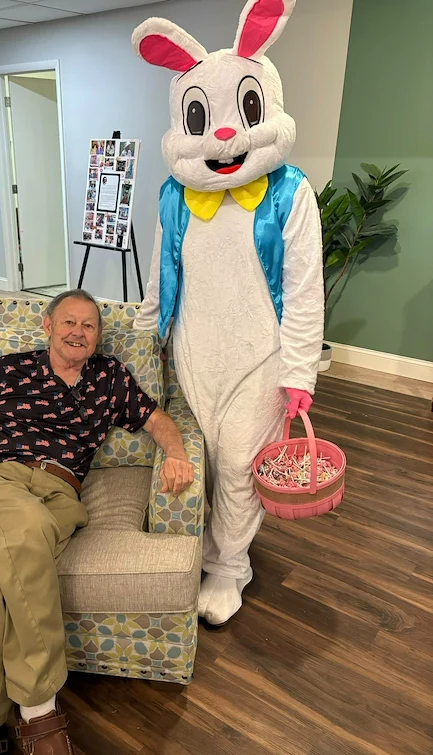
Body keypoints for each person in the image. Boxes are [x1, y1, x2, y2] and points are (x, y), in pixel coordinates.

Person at [0, 290, 194, 755]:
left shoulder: (110, 378)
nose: (77, 332)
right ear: (48, 326)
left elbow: (158, 420)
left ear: (97, 336)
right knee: (29, 529)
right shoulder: (12, 368)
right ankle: (39, 709)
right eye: (68, 322)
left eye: (88, 325)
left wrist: (177, 454)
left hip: (60, 494)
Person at [132, 0, 324, 626]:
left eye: (240, 111)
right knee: (209, 458)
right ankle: (210, 547)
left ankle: (227, 566)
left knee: (242, 460)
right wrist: (145, 337)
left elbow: (304, 290)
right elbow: (162, 273)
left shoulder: (290, 193)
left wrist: (299, 371)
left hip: (260, 353)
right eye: (200, 117)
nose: (221, 135)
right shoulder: (174, 195)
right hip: (194, 350)